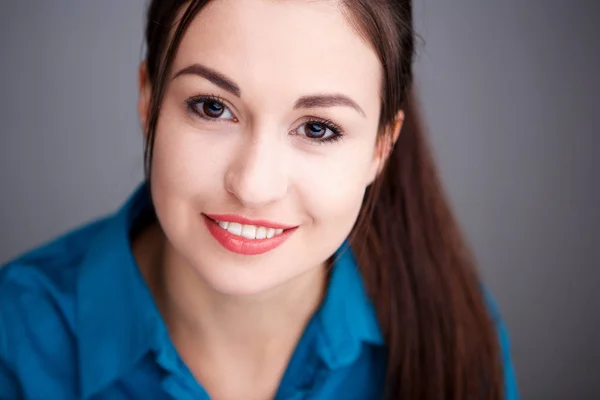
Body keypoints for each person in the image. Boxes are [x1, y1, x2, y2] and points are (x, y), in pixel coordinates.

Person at [0, 0, 519, 399]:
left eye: (318, 128)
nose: (252, 185)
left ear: (381, 148)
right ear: (148, 99)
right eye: (211, 106)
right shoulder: (14, 335)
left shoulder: (456, 328)